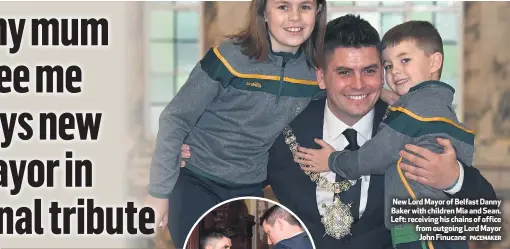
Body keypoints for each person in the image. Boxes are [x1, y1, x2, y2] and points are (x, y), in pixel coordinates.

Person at [265, 14, 496, 249]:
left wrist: (454, 179)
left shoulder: (412, 123)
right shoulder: (284, 134)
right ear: (321, 77)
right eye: (344, 72)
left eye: (370, 71)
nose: (359, 84)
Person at [144, 0, 328, 247]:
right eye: (283, 7)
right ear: (263, 12)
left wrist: (385, 94)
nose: (294, 17)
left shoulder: (317, 72)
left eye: (304, 7)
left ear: (317, 11)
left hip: (249, 186)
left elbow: (349, 93)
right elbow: (175, 117)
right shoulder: (228, 57)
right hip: (195, 177)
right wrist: (158, 193)